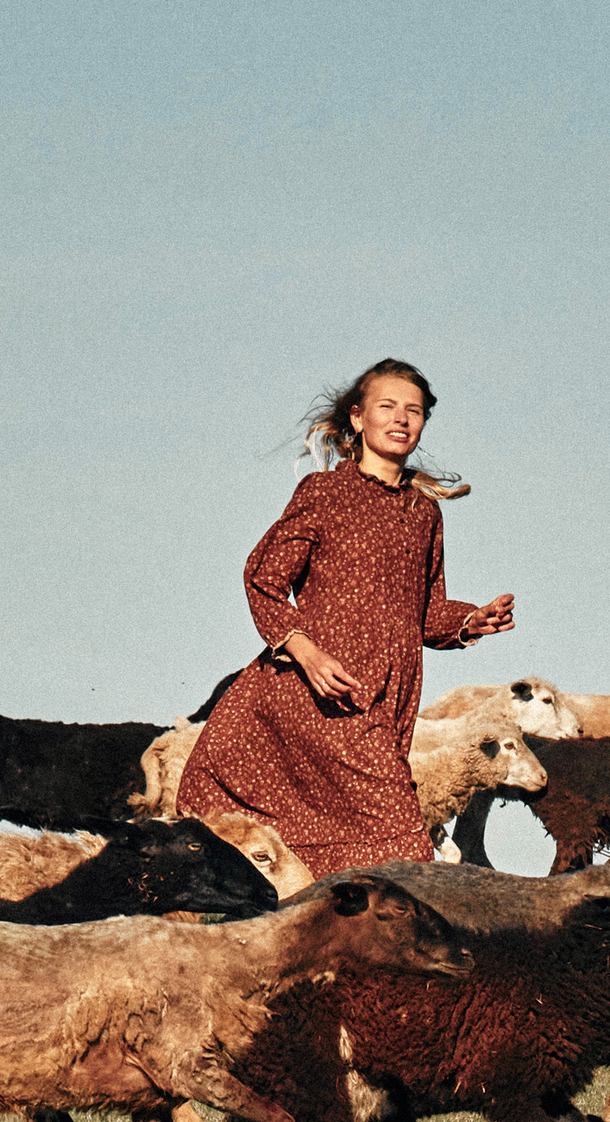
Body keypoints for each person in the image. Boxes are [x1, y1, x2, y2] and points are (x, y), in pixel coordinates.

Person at [176, 359, 516, 877]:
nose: (401, 419)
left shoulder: (424, 513)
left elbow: (423, 614)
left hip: (385, 700)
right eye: (387, 407)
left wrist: (472, 621)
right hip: (317, 693)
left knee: (357, 860)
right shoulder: (324, 492)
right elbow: (263, 577)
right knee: (405, 847)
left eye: (414, 411)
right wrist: (307, 655)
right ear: (358, 419)